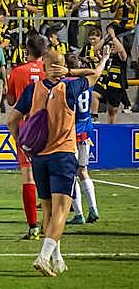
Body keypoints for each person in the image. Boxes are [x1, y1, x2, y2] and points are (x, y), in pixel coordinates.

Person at [7, 48, 108, 276]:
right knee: (62, 210)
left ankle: (57, 257)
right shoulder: (70, 86)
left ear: (43, 65)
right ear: (61, 66)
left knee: (48, 210)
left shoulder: (33, 90)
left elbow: (11, 119)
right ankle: (43, 257)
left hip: (39, 157)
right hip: (62, 154)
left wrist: (22, 145)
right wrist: (76, 69)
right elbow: (96, 73)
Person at [6, 33, 47, 239]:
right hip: (50, 128)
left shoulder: (17, 71)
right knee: (51, 175)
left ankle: (33, 227)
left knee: (28, 176)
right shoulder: (50, 71)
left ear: (27, 51)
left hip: (27, 129)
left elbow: (11, 100)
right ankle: (50, 225)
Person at [64, 53, 100, 226]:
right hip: (86, 134)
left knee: (70, 175)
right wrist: (105, 59)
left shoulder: (65, 85)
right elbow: (96, 71)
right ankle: (93, 208)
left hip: (71, 134)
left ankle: (79, 214)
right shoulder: (88, 83)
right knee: (83, 170)